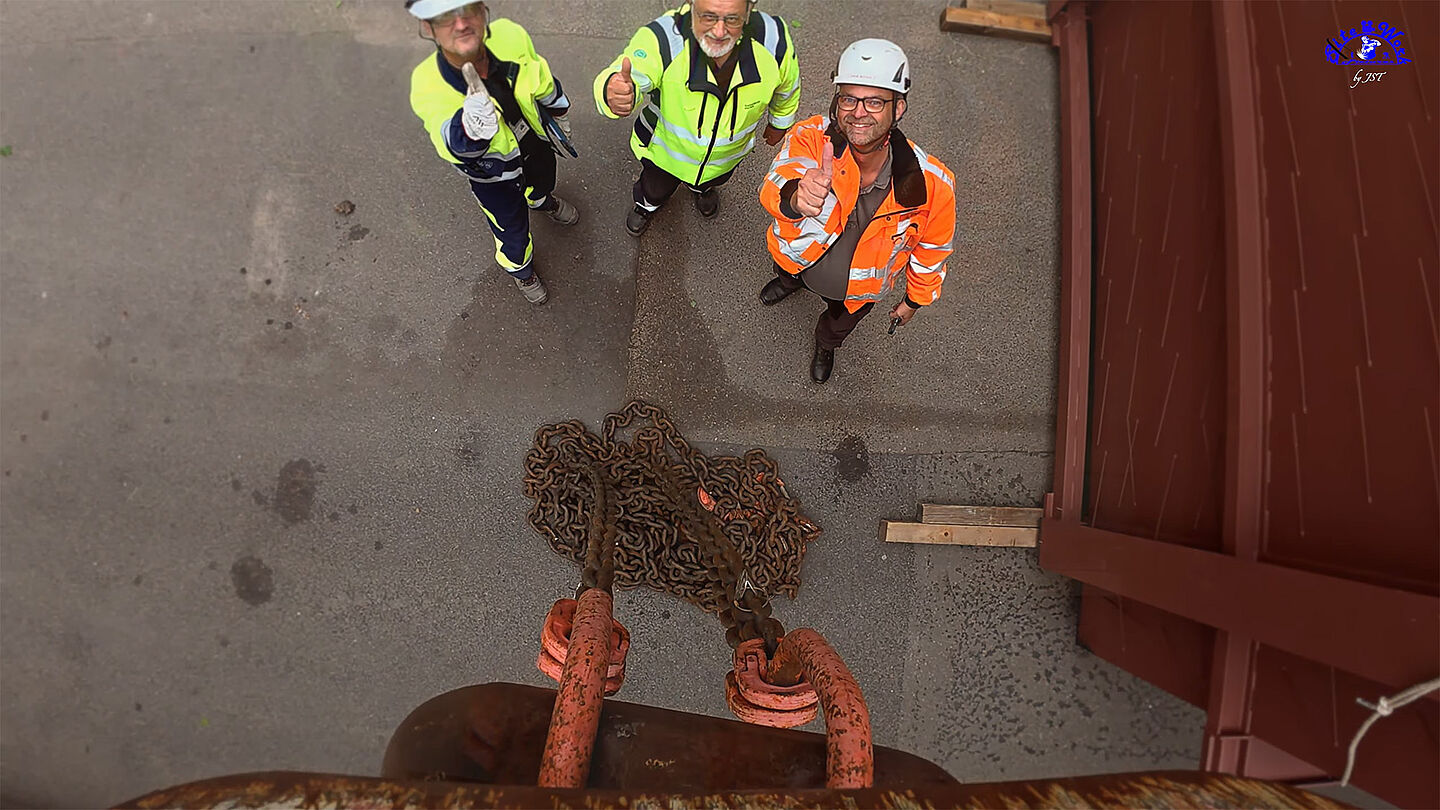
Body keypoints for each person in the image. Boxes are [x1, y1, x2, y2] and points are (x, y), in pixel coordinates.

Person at [758, 39, 956, 383]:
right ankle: (788, 282)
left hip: (855, 295)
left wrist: (914, 300)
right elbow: (780, 178)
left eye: (875, 101)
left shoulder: (933, 186)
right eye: (849, 98)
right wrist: (796, 194)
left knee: (836, 326)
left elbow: (932, 252)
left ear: (898, 109)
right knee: (788, 272)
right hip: (796, 259)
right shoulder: (810, 137)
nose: (858, 111)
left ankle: (825, 345)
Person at [407, 0, 579, 305]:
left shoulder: (509, 34)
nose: (461, 23)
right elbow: (449, 144)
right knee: (511, 230)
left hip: (535, 145)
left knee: (542, 182)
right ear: (427, 26)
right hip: (494, 176)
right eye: (445, 15)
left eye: (467, 8)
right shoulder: (426, 83)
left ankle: (541, 201)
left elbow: (542, 79)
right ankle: (521, 270)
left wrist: (559, 111)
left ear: (483, 10)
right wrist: (469, 131)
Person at [594, 0, 800, 236]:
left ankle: (702, 188)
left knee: (710, 180)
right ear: (691, 4)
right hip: (664, 157)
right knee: (653, 190)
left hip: (723, 159)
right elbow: (629, 70)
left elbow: (788, 86)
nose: (719, 32)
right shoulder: (663, 38)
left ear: (749, 9)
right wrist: (612, 91)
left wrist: (780, 121)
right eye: (708, 17)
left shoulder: (775, 41)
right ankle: (646, 206)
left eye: (732, 18)